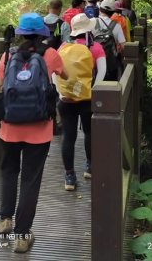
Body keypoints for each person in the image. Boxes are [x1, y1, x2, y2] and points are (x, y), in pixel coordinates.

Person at [0, 13, 67, 253]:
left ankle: (4, 220)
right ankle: (22, 236)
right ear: (42, 33)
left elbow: (0, 82)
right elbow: (64, 75)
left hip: (9, 127)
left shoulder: (8, 55)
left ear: (21, 33)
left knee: (8, 172)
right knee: (30, 180)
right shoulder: (50, 54)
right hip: (39, 129)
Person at [56, 13, 106, 191]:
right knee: (89, 132)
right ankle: (90, 167)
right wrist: (93, 91)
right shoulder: (96, 47)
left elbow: (56, 72)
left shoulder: (64, 46)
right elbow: (102, 72)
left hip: (67, 100)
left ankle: (69, 176)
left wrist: (60, 93)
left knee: (68, 137)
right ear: (90, 29)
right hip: (87, 99)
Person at [92, 0, 126, 80]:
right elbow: (123, 46)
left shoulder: (91, 22)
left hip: (94, 63)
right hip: (111, 64)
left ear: (100, 9)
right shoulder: (116, 26)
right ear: (112, 13)